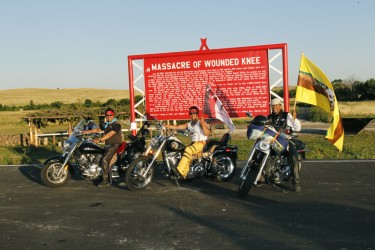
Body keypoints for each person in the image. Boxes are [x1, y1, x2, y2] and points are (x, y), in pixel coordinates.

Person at [164, 106, 211, 179]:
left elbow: (208, 133)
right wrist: (165, 125)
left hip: (201, 143)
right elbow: (177, 126)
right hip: (194, 143)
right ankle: (185, 175)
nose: (193, 115)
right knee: (183, 151)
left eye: (195, 113)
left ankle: (179, 170)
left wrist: (202, 122)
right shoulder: (189, 124)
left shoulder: (200, 122)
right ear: (189, 114)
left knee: (188, 149)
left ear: (197, 114)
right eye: (191, 113)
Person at [267, 98, 302, 192]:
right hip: (272, 140)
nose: (274, 108)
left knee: (293, 157)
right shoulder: (269, 117)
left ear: (280, 106)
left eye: (276, 105)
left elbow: (298, 128)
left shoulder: (287, 115)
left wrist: (294, 119)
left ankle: (296, 183)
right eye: (272, 106)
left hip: (286, 140)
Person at [82, 108, 122, 187]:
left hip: (115, 145)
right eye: (107, 115)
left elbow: (110, 134)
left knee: (104, 159)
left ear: (113, 115)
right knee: (99, 157)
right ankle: (100, 174)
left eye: (110, 115)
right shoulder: (107, 124)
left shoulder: (116, 124)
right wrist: (84, 132)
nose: (108, 116)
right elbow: (97, 129)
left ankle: (105, 181)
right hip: (108, 145)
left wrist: (100, 139)